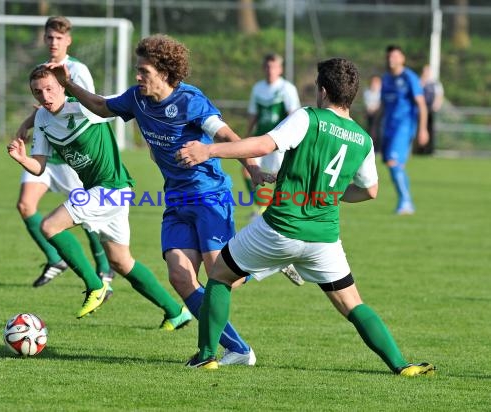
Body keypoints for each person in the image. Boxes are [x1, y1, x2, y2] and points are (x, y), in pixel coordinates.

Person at [178, 57, 436, 377]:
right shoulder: (363, 140)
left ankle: (206, 355)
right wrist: (328, 195)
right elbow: (370, 191)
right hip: (323, 241)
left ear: (323, 90)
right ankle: (402, 365)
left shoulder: (307, 118)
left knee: (220, 275)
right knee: (353, 304)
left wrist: (209, 151)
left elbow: (262, 144)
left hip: (279, 229)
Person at [47, 34, 270, 365]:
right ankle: (237, 349)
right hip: (176, 200)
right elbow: (100, 106)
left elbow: (226, 136)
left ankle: (267, 263)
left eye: (144, 71)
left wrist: (252, 168)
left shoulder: (191, 101)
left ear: (165, 73)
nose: (138, 77)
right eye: (137, 70)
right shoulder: (136, 99)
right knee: (180, 278)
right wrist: (69, 86)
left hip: (209, 195)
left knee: (221, 277)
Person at [7, 65, 192, 329]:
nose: (45, 96)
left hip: (110, 189)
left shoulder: (84, 108)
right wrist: (22, 159)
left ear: (62, 86)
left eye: (49, 89)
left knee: (49, 225)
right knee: (121, 261)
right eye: (38, 92)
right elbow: (39, 166)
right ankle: (175, 312)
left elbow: (126, 100)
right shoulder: (42, 120)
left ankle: (96, 286)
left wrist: (159, 97)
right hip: (103, 191)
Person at [15, 16, 113, 288]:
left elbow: (90, 107)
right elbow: (43, 109)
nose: (53, 42)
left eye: (58, 38)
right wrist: (26, 125)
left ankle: (104, 267)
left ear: (68, 40)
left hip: (72, 155)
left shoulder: (76, 70)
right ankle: (55, 258)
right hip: (45, 153)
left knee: (83, 216)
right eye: (49, 37)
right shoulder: (40, 70)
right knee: (25, 205)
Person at [243, 53, 301, 218]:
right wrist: (246, 136)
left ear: (280, 69)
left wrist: (293, 139)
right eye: (268, 66)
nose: (270, 70)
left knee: (279, 176)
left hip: (278, 141)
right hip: (259, 139)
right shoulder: (257, 88)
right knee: (247, 169)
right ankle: (261, 206)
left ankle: (282, 210)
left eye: (274, 66)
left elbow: (294, 115)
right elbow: (253, 115)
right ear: (263, 68)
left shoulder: (287, 88)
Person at [380, 45, 429, 215]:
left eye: (394, 56)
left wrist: (423, 129)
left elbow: (421, 105)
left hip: (404, 126)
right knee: (393, 164)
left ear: (402, 58)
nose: (391, 59)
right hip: (388, 126)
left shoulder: (409, 77)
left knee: (394, 163)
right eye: (389, 56)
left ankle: (405, 202)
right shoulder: (385, 78)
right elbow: (382, 106)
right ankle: (407, 201)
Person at [415, 64, 444, 155]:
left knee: (430, 130)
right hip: (419, 110)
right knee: (418, 129)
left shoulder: (435, 83)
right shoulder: (418, 82)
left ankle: (429, 150)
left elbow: (439, 95)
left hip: (430, 110)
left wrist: (436, 105)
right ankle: (419, 149)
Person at [363, 75, 382, 151]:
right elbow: (366, 103)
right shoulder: (367, 92)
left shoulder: (381, 93)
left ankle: (378, 149)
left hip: (379, 115)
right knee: (370, 130)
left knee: (378, 131)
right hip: (370, 115)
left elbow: (380, 103)